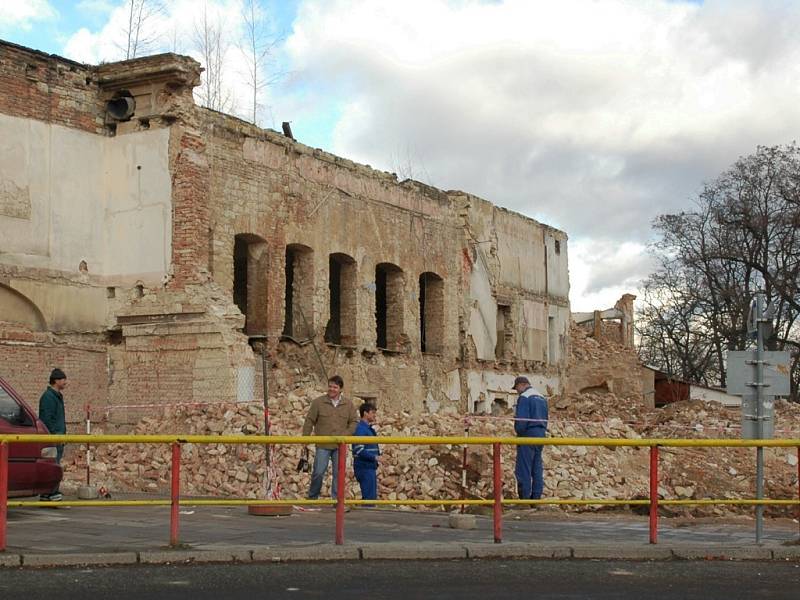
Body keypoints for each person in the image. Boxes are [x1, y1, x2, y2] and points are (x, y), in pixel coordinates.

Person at [302, 375, 359, 500]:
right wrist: (304, 439)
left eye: (335, 387)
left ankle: (337, 501)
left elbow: (354, 422)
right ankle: (312, 498)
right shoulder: (318, 403)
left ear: (340, 389)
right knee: (318, 472)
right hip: (323, 445)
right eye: (330, 386)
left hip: (340, 446)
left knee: (339, 474)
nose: (332, 389)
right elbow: (309, 421)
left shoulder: (348, 404)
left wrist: (346, 434)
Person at [512, 375, 548, 503]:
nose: (517, 391)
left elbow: (522, 421)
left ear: (521, 385)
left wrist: (518, 432)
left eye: (516, 389)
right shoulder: (542, 398)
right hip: (541, 434)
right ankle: (536, 499)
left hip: (528, 435)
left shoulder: (524, 397)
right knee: (536, 467)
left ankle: (525, 499)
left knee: (524, 468)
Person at [38, 368, 67, 501]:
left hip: (58, 437)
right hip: (54, 438)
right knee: (53, 465)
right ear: (56, 381)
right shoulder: (49, 397)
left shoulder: (56, 396)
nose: (65, 382)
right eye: (63, 379)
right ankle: (51, 493)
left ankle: (48, 493)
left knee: (55, 464)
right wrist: (55, 435)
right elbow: (47, 419)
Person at [351, 403, 380, 505]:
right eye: (372, 413)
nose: (374, 415)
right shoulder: (361, 429)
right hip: (364, 467)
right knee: (369, 499)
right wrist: (375, 457)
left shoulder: (368, 429)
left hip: (369, 466)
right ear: (365, 413)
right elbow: (358, 449)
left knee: (370, 497)